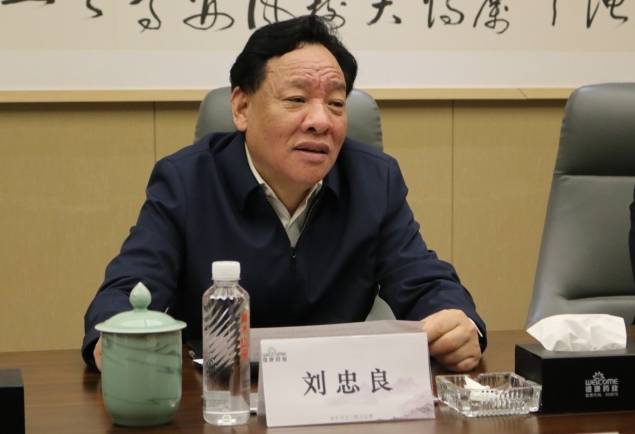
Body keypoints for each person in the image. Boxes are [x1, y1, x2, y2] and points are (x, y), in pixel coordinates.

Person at [83, 15, 486, 373]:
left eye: (336, 103)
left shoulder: (373, 180)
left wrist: (457, 323)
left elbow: (423, 279)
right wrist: (114, 339)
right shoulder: (187, 181)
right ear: (242, 108)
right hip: (220, 396)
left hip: (336, 393)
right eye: (296, 99)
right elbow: (131, 287)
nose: (320, 121)